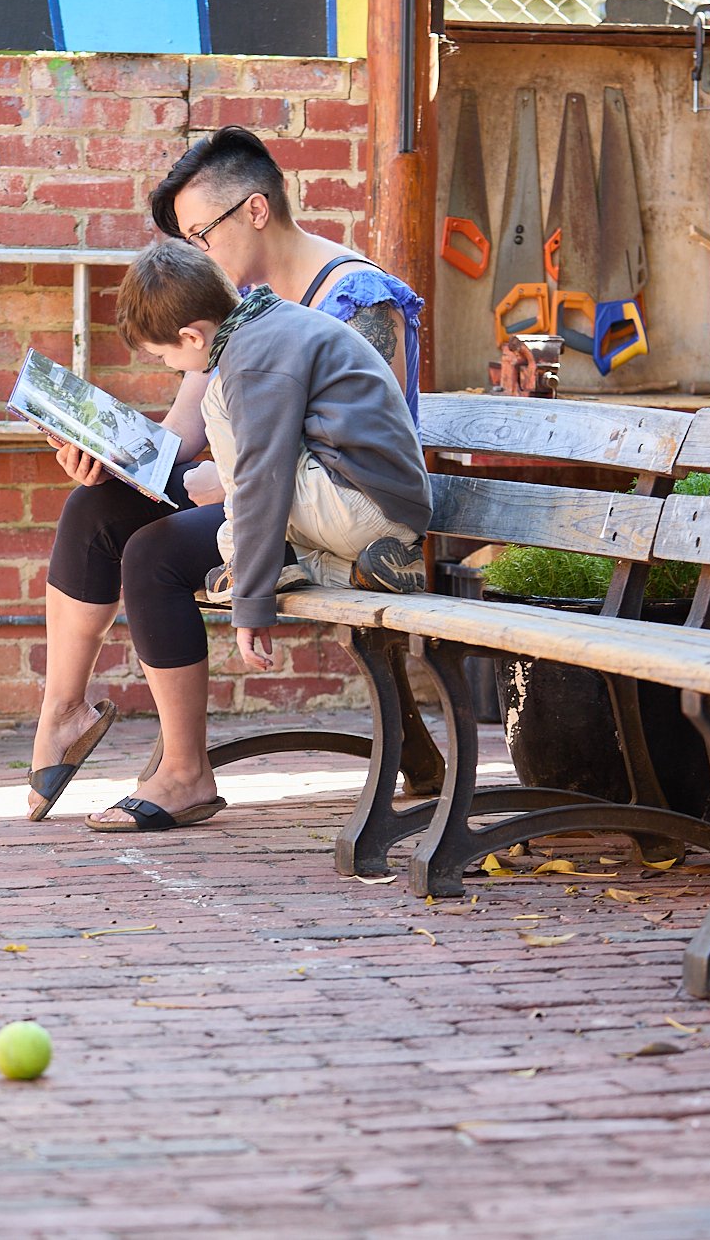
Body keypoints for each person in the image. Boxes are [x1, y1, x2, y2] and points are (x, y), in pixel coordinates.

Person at [25, 128, 431, 820]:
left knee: (152, 552)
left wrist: (224, 484)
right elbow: (184, 438)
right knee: (94, 509)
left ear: (253, 209)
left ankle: (185, 771)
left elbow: (359, 440)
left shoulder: (354, 295)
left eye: (198, 233)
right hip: (262, 481)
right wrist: (102, 450)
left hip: (329, 499)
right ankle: (64, 708)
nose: (195, 253)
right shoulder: (229, 305)